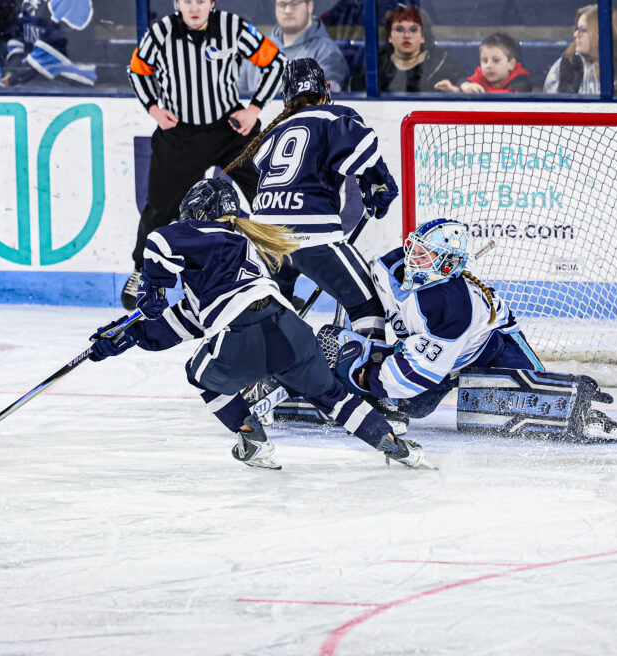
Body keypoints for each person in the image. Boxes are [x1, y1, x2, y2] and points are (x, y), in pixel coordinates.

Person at [88, 178, 432, 470]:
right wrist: (128, 334)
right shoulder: (238, 250)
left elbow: (159, 241)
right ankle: (394, 445)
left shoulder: (203, 234)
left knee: (199, 374)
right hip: (292, 333)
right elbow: (185, 320)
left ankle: (252, 439)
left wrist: (152, 284)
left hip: (243, 333)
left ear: (197, 214)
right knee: (332, 397)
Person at [324, 218, 617, 441]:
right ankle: (323, 368)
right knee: (414, 407)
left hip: (492, 344)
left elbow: (418, 371)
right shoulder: (386, 269)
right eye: (415, 248)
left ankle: (582, 413)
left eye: (425, 255)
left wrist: (369, 380)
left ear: (447, 265)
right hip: (440, 355)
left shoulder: (452, 306)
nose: (413, 258)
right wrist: (363, 351)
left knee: (536, 399)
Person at [123, 0, 286, 310]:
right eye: (187, 0)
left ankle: (281, 274)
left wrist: (254, 108)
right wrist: (153, 108)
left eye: (201, 0)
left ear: (211, 2)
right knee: (159, 208)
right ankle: (143, 271)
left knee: (268, 195)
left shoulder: (232, 27)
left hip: (230, 130)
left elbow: (275, 62)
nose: (194, 7)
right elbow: (137, 71)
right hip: (180, 135)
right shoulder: (160, 32)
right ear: (177, 3)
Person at [221, 58, 395, 340]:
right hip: (313, 237)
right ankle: (368, 364)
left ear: (286, 97)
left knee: (271, 319)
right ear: (324, 91)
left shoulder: (271, 132)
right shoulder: (333, 116)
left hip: (264, 241)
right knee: (369, 308)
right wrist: (377, 183)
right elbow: (364, 147)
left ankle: (273, 361)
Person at [237, 0, 349, 95]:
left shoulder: (327, 52)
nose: (288, 10)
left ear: (310, 6)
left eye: (294, 3)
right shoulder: (257, 47)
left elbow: (327, 98)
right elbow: (239, 96)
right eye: (282, 4)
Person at [350, 3, 465, 93]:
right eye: (399, 29)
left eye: (413, 30)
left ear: (423, 36)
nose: (406, 35)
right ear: (389, 36)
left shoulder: (443, 66)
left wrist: (456, 91)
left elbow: (463, 90)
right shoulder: (375, 66)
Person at [544, 4, 617, 95]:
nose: (576, 34)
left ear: (602, 34)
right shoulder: (565, 65)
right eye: (576, 29)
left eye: (582, 30)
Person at [2, 0, 97, 87]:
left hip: (71, 82)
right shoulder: (30, 2)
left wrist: (15, 77)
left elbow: (55, 46)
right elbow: (19, 38)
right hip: (32, 78)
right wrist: (10, 71)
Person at [436, 32, 532, 94]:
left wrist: (476, 93)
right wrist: (459, 88)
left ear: (511, 64)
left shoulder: (521, 81)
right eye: (485, 61)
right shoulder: (481, 76)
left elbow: (505, 98)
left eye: (496, 61)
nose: (488, 66)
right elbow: (466, 82)